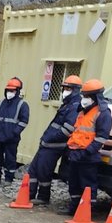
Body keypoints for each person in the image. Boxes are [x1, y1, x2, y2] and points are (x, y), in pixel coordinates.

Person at [57, 79, 112, 216]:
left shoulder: (103, 113)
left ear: (95, 97)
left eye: (87, 96)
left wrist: (87, 151)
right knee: (74, 183)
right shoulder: (82, 111)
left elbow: (101, 137)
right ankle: (74, 208)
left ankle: (86, 211)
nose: (84, 99)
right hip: (75, 153)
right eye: (84, 96)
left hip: (88, 156)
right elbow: (77, 132)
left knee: (87, 185)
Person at [29, 75, 82, 205]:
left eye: (68, 88)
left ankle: (43, 197)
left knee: (44, 171)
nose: (65, 91)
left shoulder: (75, 106)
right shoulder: (67, 104)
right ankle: (28, 194)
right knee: (34, 169)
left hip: (55, 145)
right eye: (64, 88)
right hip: (47, 143)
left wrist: (50, 138)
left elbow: (68, 129)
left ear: (75, 90)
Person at [0, 77, 29, 185]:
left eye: (12, 91)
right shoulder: (1, 103)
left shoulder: (22, 105)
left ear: (18, 91)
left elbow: (23, 122)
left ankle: (8, 179)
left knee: (10, 158)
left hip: (11, 138)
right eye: (8, 90)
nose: (10, 92)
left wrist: (14, 133)